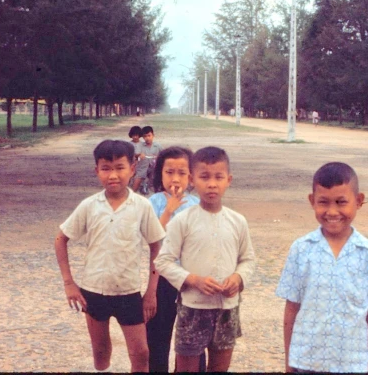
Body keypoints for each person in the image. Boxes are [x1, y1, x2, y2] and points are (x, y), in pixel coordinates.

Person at [54, 140, 165, 372]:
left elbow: (157, 245)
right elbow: (60, 239)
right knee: (101, 351)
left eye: (119, 167)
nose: (113, 175)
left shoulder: (141, 206)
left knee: (141, 352)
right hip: (93, 291)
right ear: (97, 171)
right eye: (106, 168)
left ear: (132, 168)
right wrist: (69, 283)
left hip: (129, 292)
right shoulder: (89, 206)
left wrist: (151, 292)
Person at [276, 162, 368, 373]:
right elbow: (291, 310)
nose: (332, 211)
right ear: (312, 201)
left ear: (359, 201)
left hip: (353, 363)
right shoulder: (301, 250)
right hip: (306, 362)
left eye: (341, 202)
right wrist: (289, 364)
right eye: (323, 202)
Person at [155, 146, 255, 373]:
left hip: (228, 308)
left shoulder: (237, 221)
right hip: (193, 308)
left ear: (228, 180)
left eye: (218, 177)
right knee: (187, 368)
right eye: (204, 177)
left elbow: (248, 259)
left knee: (220, 367)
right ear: (192, 179)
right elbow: (163, 261)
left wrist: (238, 279)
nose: (212, 184)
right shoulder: (183, 221)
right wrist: (192, 280)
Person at [145, 146, 206, 372]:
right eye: (169, 172)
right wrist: (168, 211)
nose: (175, 178)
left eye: (182, 173)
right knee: (158, 335)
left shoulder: (198, 204)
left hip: (191, 280)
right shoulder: (154, 202)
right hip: (163, 279)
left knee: (192, 339)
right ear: (160, 174)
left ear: (191, 177)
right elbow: (153, 239)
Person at [132, 125, 162, 194]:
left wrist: (159, 157)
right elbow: (134, 156)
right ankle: (140, 187)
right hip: (142, 169)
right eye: (145, 136)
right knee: (134, 188)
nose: (147, 138)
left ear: (153, 135)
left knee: (159, 185)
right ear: (142, 137)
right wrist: (139, 155)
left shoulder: (157, 146)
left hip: (154, 169)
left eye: (149, 135)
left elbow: (164, 155)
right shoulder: (140, 145)